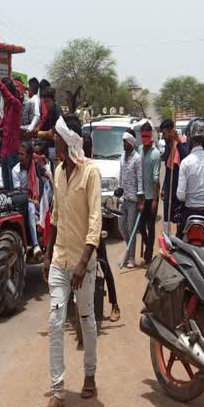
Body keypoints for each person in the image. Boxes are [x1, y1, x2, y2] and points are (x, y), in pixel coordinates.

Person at [40, 114, 101, 407]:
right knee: (54, 322)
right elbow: (55, 215)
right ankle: (59, 392)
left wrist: (83, 262)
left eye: (58, 139)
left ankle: (90, 374)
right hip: (60, 260)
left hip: (83, 265)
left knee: (87, 320)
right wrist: (48, 254)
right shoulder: (59, 171)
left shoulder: (91, 172)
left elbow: (95, 221)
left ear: (71, 140)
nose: (55, 144)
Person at [82, 133, 120, 323]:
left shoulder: (93, 170)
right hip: (79, 225)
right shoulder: (77, 169)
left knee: (103, 263)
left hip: (94, 223)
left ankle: (114, 304)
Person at [176, 120, 204, 260]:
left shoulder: (185, 162)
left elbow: (181, 196)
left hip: (190, 212)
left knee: (178, 249)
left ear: (189, 138)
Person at [118, 129, 144, 268]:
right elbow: (121, 176)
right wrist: (118, 189)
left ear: (130, 143)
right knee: (121, 226)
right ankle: (128, 251)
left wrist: (141, 200)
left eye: (125, 141)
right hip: (123, 198)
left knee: (131, 228)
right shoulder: (122, 157)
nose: (123, 144)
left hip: (134, 199)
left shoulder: (137, 158)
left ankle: (131, 258)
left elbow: (140, 179)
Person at [160, 119, 189, 231]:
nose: (163, 137)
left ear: (171, 131)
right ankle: (167, 239)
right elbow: (168, 168)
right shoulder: (168, 145)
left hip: (180, 187)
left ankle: (180, 239)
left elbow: (186, 158)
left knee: (179, 217)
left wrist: (177, 141)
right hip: (169, 187)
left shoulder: (183, 142)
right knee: (167, 216)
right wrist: (163, 187)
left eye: (164, 133)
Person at [12, 142, 40, 255]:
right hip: (24, 201)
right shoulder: (15, 170)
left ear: (28, 156)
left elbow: (45, 176)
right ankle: (35, 244)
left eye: (22, 154)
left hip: (37, 197)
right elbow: (19, 194)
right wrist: (33, 201)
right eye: (18, 154)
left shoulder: (35, 166)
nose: (19, 157)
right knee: (31, 208)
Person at [0, 75, 22, 191]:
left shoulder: (16, 105)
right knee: (6, 185)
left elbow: (9, 97)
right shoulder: (8, 109)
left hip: (12, 151)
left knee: (12, 185)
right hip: (4, 151)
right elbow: (2, 123)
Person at [138, 122, 160, 265]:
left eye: (147, 135)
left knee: (150, 227)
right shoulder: (139, 150)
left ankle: (149, 254)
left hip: (151, 197)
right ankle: (147, 246)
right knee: (141, 226)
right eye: (142, 135)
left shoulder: (155, 154)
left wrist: (155, 201)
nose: (144, 138)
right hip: (141, 196)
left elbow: (156, 179)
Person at [35, 86, 62, 161]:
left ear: (53, 100)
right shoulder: (45, 111)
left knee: (53, 161)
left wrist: (52, 131)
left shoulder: (57, 111)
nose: (45, 104)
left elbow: (59, 126)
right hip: (47, 143)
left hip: (56, 145)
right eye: (44, 102)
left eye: (47, 101)